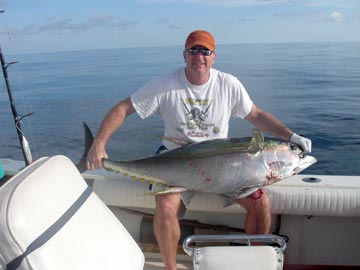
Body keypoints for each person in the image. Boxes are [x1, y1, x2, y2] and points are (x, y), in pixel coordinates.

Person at [86, 30, 311, 270]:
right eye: (193, 50)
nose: (199, 56)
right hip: (176, 158)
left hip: (222, 164)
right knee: (166, 205)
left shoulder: (228, 84)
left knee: (261, 204)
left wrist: (290, 135)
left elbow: (255, 114)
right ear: (184, 55)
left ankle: (253, 262)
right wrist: (99, 143)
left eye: (205, 51)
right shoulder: (165, 85)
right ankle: (171, 268)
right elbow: (123, 107)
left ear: (214, 57)